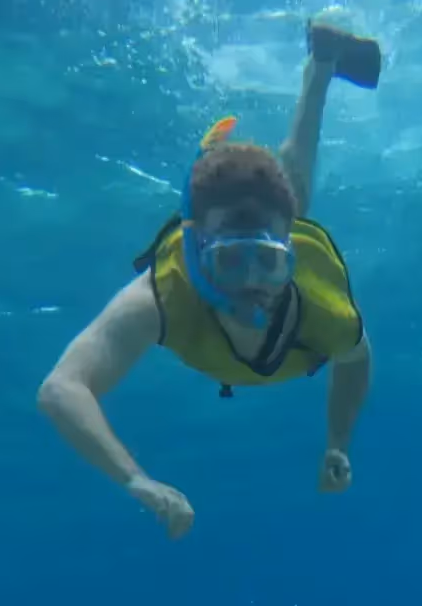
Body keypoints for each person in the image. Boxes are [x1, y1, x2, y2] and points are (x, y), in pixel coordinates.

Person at [37, 20, 382, 539]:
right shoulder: (163, 295)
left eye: (269, 262)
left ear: (290, 256)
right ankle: (320, 67)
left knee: (296, 195)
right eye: (230, 263)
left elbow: (356, 357)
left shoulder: (321, 298)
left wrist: (339, 442)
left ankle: (321, 69)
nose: (253, 286)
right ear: (198, 255)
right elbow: (61, 388)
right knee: (293, 193)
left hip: (276, 228)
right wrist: (135, 479)